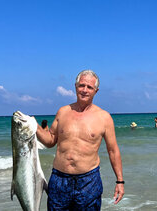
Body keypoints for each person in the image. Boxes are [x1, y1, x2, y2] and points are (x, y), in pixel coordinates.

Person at [36, 70, 124, 210]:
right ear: (75, 86)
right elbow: (50, 140)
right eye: (81, 85)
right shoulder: (63, 111)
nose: (84, 90)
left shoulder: (104, 117)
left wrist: (120, 181)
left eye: (89, 87)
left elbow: (113, 150)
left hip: (89, 182)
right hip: (59, 180)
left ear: (96, 91)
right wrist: (34, 127)